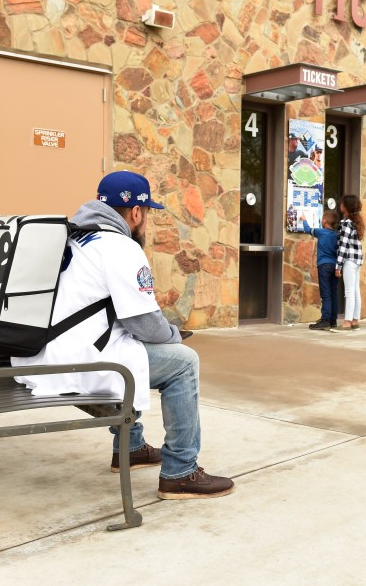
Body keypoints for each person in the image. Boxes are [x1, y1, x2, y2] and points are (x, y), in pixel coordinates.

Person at [12, 170, 234, 499]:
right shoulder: (121, 247)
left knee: (130, 347)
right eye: (147, 214)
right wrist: (174, 335)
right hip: (77, 362)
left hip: (47, 352)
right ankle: (181, 472)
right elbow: (145, 323)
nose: (146, 222)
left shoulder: (77, 238)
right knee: (183, 362)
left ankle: (131, 448)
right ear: (135, 212)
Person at [302, 209, 339, 331]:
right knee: (333, 293)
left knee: (326, 294)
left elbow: (308, 230)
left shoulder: (321, 232)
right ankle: (333, 320)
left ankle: (325, 320)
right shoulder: (336, 235)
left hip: (324, 266)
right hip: (335, 266)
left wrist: (304, 220)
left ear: (324, 221)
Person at [335, 194, 364, 330]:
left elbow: (343, 246)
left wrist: (338, 266)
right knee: (356, 291)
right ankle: (355, 320)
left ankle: (347, 321)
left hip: (349, 261)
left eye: (342, 204)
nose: (340, 206)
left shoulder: (346, 224)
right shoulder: (356, 222)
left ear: (345, 207)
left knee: (349, 292)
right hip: (357, 260)